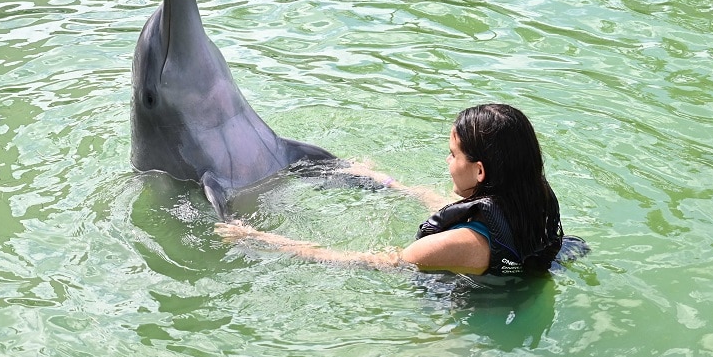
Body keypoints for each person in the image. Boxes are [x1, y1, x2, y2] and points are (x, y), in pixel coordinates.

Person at [215, 103, 566, 276]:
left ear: (479, 171)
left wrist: (261, 240)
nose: (447, 161)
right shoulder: (531, 199)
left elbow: (370, 263)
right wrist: (383, 182)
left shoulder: (461, 245)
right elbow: (442, 202)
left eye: (453, 153)